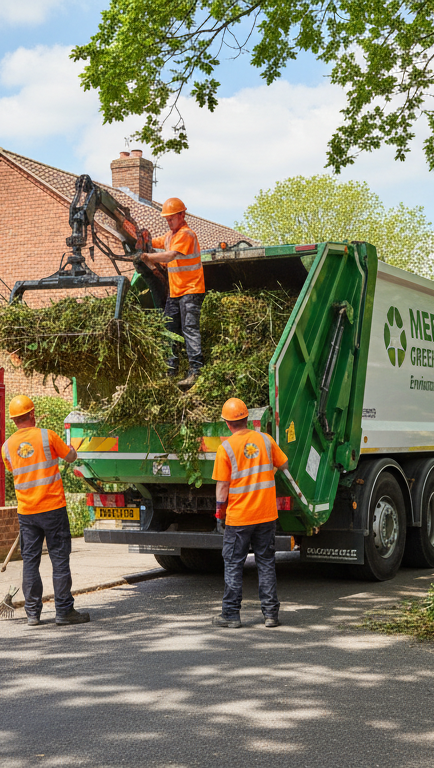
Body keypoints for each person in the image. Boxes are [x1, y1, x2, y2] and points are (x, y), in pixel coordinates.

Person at [1, 394, 89, 626]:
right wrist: (72, 449)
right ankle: (64, 612)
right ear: (31, 414)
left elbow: (17, 471)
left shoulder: (6, 447)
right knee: (59, 559)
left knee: (30, 561)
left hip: (27, 512)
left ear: (14, 420)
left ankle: (32, 614)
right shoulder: (46, 436)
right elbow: (70, 457)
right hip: (52, 509)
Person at [211, 397, 289, 628]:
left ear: (227, 423)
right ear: (247, 419)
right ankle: (271, 615)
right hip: (266, 515)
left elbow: (223, 486)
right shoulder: (265, 440)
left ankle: (231, 615)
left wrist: (219, 513)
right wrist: (265, 473)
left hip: (239, 518)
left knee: (234, 564)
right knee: (266, 563)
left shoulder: (225, 448)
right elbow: (283, 465)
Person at [140, 197, 204, 389]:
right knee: (168, 329)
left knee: (189, 328)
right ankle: (170, 369)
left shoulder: (186, 235)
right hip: (175, 293)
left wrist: (147, 256)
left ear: (182, 215)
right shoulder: (170, 236)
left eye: (172, 219)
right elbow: (152, 242)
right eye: (167, 219)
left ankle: (196, 370)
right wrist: (138, 238)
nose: (169, 222)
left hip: (191, 291)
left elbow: (169, 255)